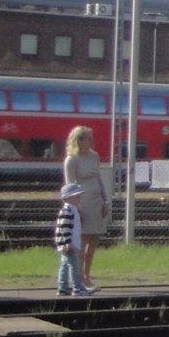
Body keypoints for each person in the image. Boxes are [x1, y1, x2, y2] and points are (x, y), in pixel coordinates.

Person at [61, 126, 108, 294]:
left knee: (94, 238)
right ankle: (78, 278)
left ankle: (87, 275)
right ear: (79, 140)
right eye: (88, 138)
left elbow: (99, 178)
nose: (92, 141)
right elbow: (70, 186)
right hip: (82, 203)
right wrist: (76, 208)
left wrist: (105, 200)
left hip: (96, 201)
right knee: (82, 239)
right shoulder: (71, 160)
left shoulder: (94, 156)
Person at [53, 184, 86, 297]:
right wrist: (68, 242)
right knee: (74, 266)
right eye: (77, 197)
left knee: (64, 265)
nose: (79, 199)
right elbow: (64, 228)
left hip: (68, 243)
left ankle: (62, 288)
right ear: (68, 198)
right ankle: (77, 288)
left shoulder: (72, 210)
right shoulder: (67, 211)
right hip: (68, 244)